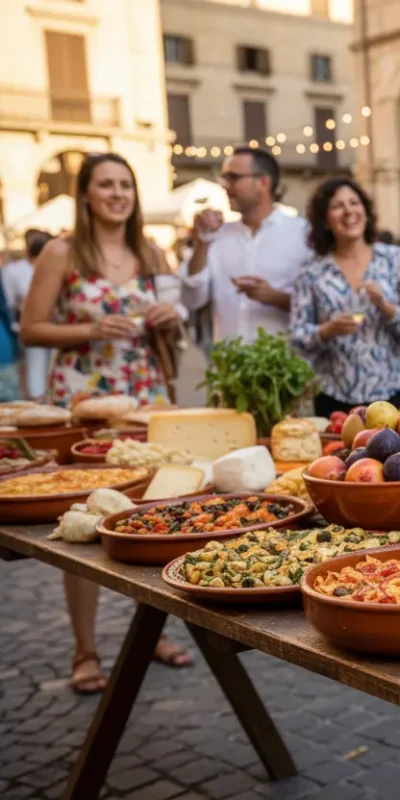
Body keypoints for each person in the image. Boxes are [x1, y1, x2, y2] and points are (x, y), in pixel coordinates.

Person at [21, 152, 190, 693]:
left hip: (145, 394)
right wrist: (92, 328)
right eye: (107, 185)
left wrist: (170, 319)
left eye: (126, 184)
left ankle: (151, 630)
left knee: (151, 511)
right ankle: (85, 648)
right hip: (84, 397)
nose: (118, 193)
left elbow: (170, 326)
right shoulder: (63, 251)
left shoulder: (152, 251)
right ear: (86, 194)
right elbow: (32, 329)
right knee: (85, 516)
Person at [290, 178, 400, 416]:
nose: (348, 211)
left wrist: (385, 306)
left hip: (394, 390)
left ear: (365, 211)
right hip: (335, 396)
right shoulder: (311, 271)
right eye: (337, 206)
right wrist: (327, 330)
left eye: (354, 203)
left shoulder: (395, 259)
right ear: (324, 219)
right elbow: (298, 336)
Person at [181, 147, 308, 344]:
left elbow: (321, 306)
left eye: (233, 178)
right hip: (228, 367)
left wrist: (277, 298)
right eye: (223, 178)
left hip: (286, 367)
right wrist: (200, 242)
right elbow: (192, 299)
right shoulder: (217, 236)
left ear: (264, 182)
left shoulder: (302, 235)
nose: (224, 185)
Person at [2, 229, 52, 399]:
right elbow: (9, 303)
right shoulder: (15, 270)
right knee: (34, 367)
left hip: (55, 325)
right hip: (29, 326)